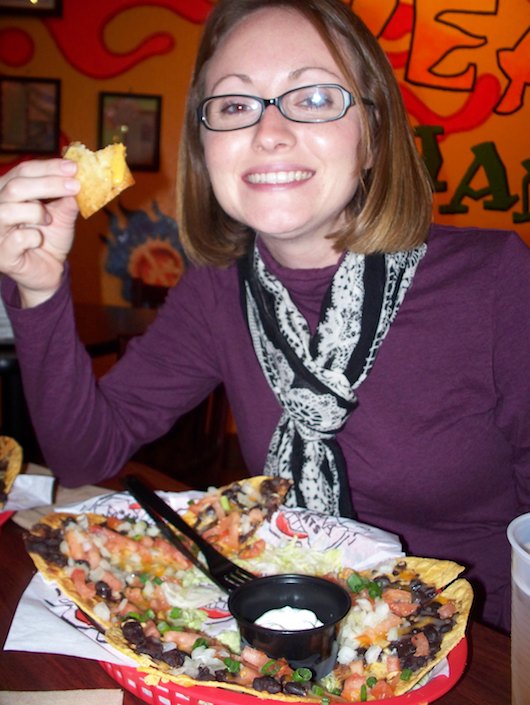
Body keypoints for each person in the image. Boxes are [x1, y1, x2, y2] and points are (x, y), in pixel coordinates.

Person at [0, 0, 528, 633]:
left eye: (312, 98)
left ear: (373, 138)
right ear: (205, 148)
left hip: (482, 646)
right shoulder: (215, 291)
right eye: (234, 105)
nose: (268, 132)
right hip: (286, 627)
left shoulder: (496, 279)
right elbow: (86, 454)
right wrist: (38, 290)